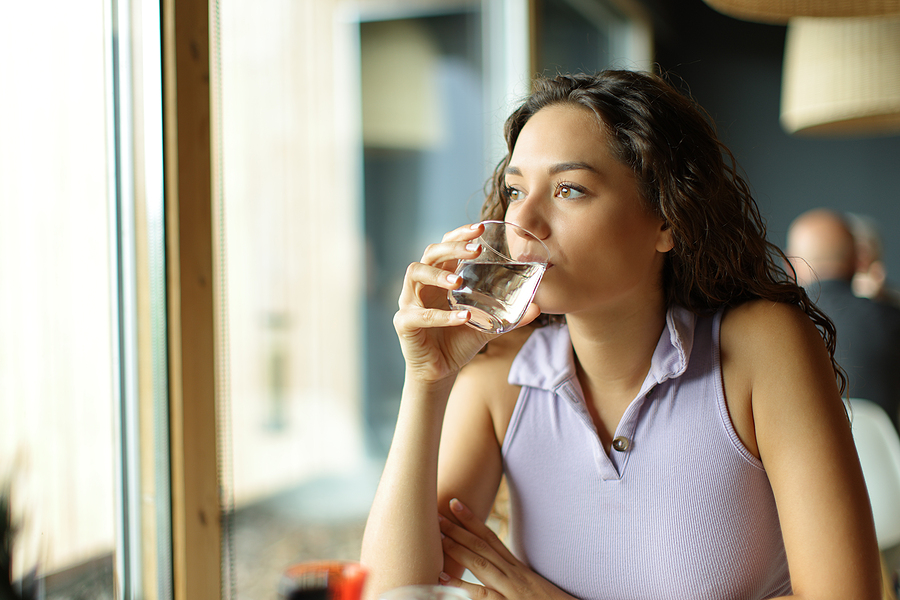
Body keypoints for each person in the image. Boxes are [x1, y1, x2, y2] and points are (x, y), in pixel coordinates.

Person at [360, 71, 881, 600]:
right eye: (516, 190)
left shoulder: (761, 347)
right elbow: (394, 594)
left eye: (569, 189)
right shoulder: (501, 381)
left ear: (666, 220)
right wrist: (426, 382)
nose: (525, 220)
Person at [786, 208, 900, 432]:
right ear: (859, 261)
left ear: (791, 265)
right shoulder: (891, 321)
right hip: (882, 464)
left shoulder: (772, 327)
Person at [846, 212, 900, 308]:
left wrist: (878, 298)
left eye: (864, 251)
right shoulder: (830, 293)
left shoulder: (892, 298)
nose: (860, 257)